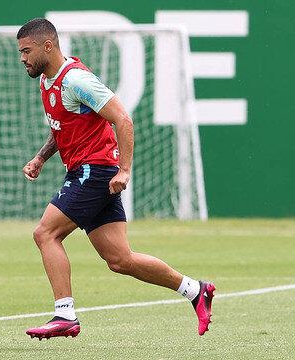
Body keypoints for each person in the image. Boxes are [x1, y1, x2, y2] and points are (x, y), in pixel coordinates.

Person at [16, 18, 215, 339]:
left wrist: (124, 169)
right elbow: (61, 127)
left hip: (95, 171)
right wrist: (41, 157)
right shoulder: (46, 82)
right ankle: (195, 290)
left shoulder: (77, 80)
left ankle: (64, 314)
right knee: (120, 260)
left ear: (47, 46)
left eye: (26, 51)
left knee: (45, 234)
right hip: (90, 172)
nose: (22, 58)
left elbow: (122, 118)